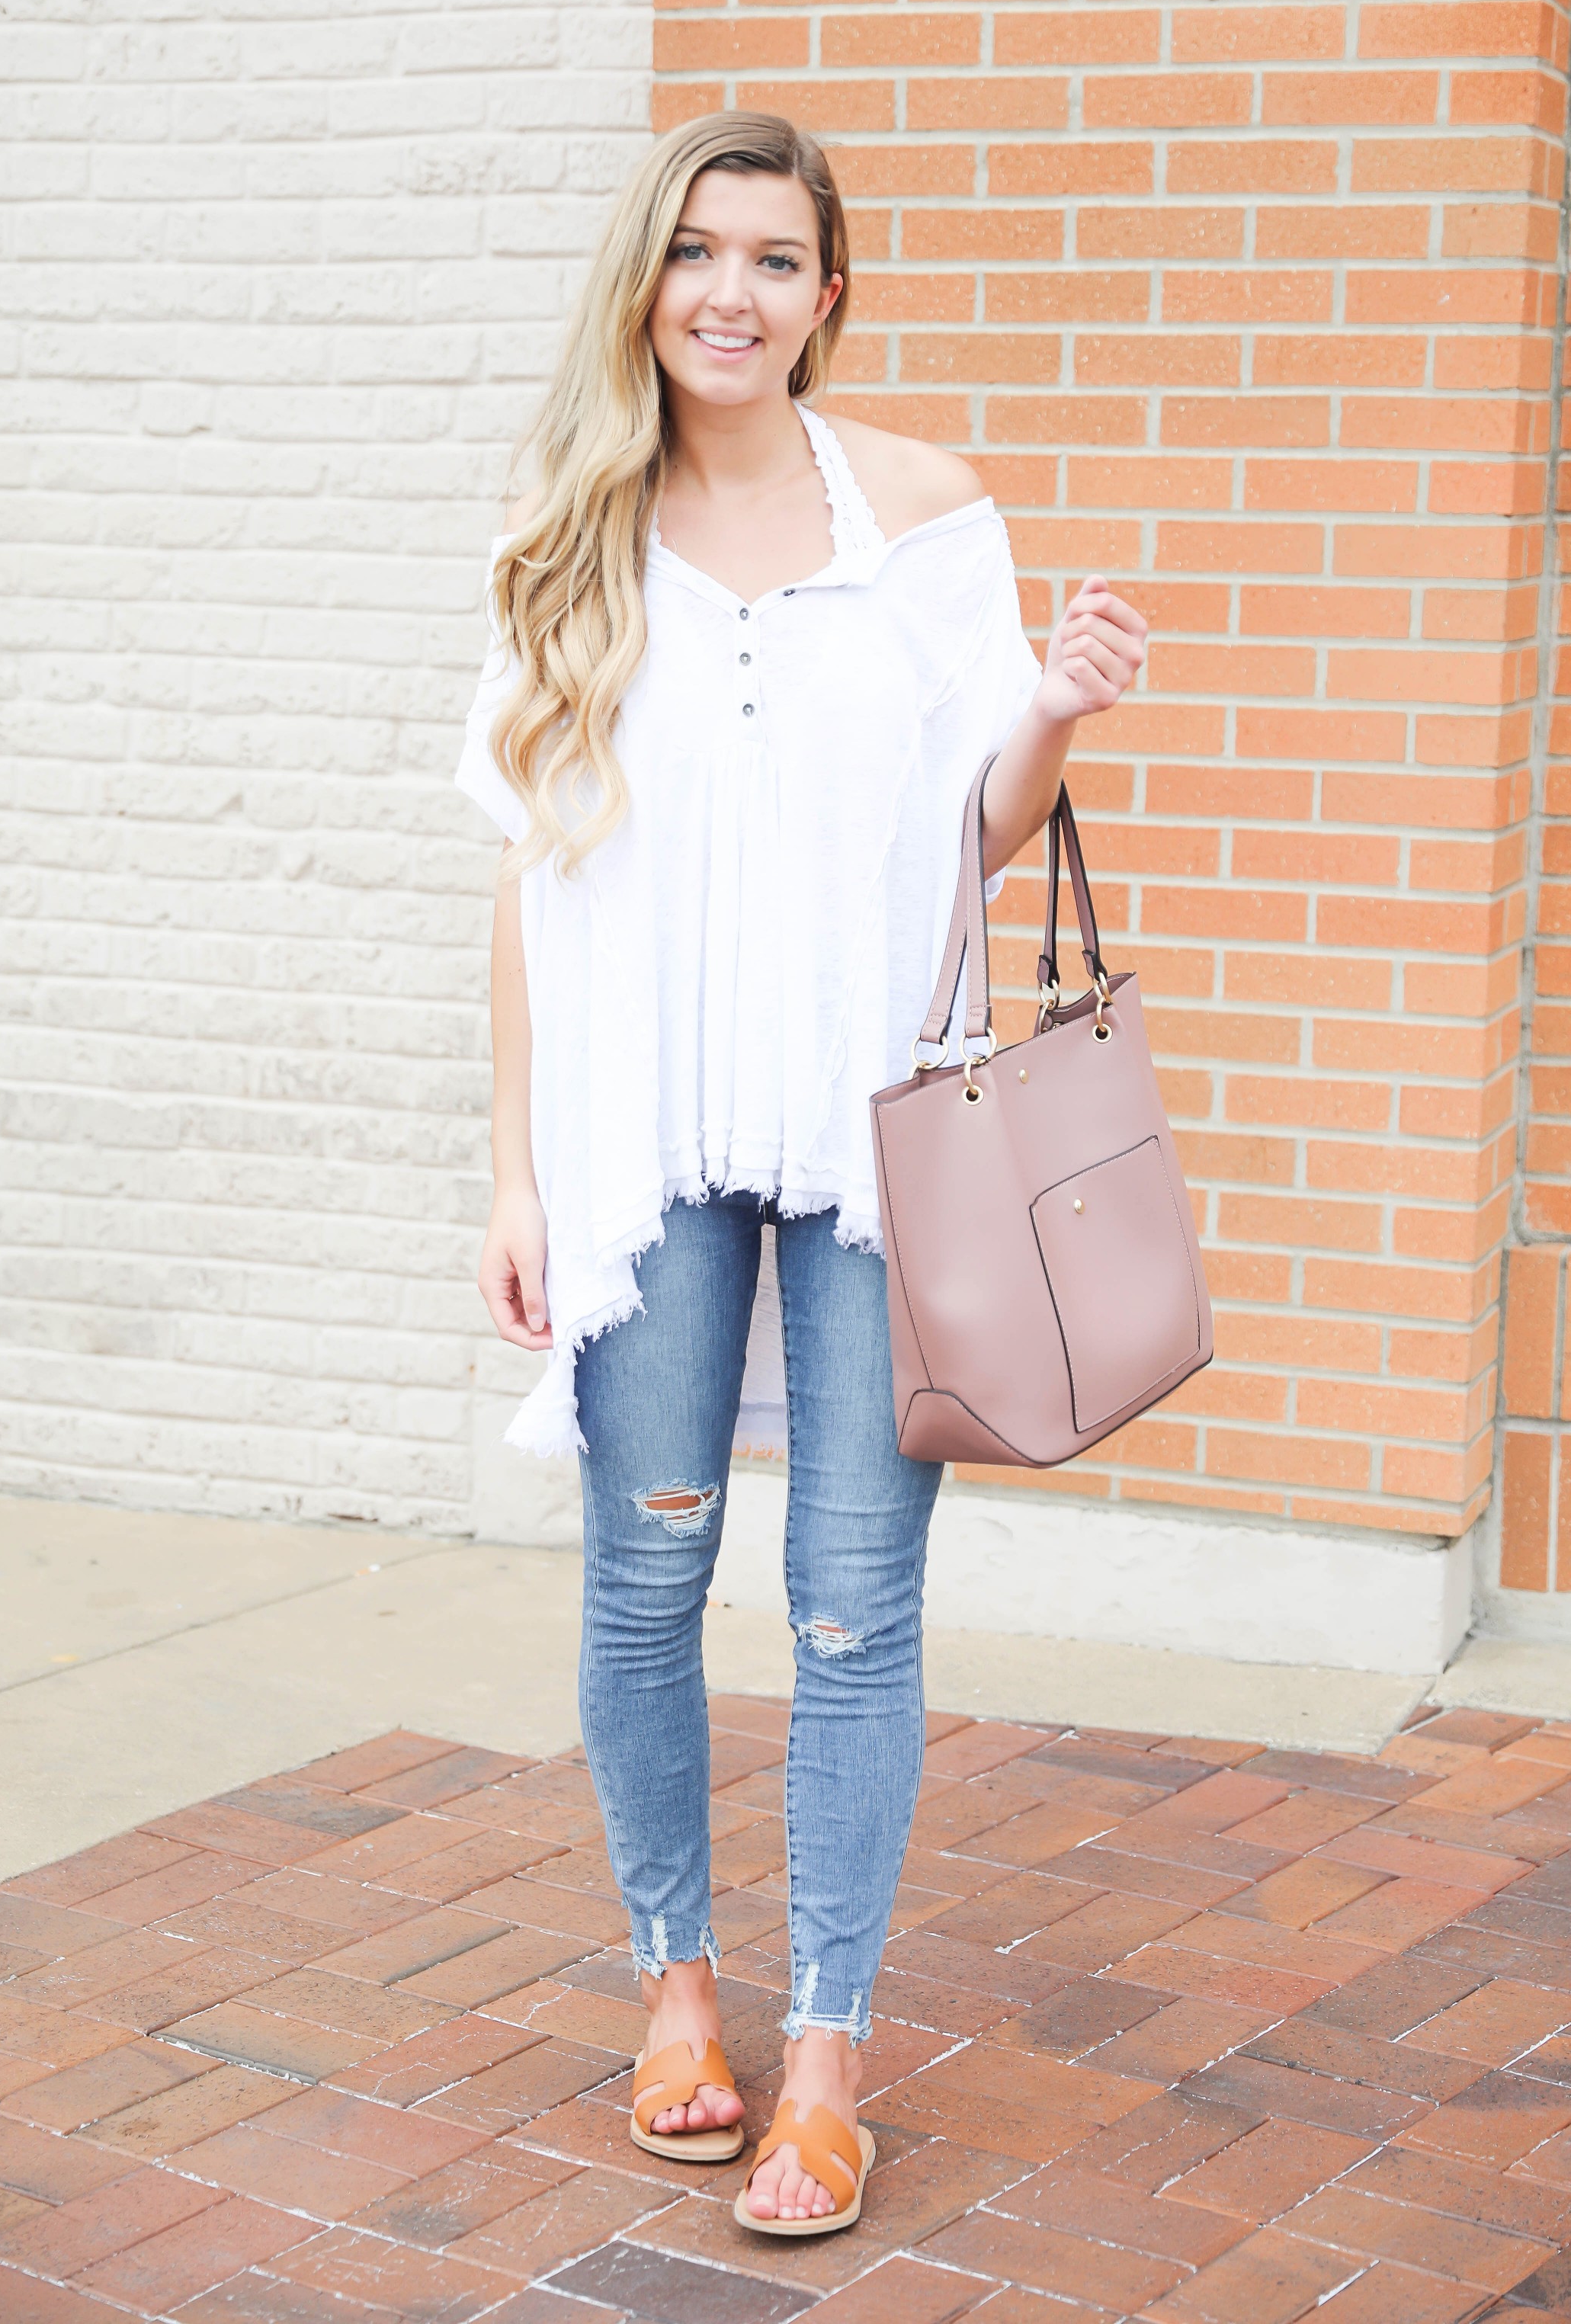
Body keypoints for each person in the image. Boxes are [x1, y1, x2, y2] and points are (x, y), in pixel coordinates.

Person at [458, 111, 1146, 2236]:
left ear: (829, 298)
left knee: (853, 1609)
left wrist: (1051, 706)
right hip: (640, 1137)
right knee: (647, 1576)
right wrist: (514, 1172)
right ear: (646, 287)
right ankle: (677, 1989)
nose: (731, 294)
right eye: (697, 254)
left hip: (874, 1142)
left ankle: (828, 2049)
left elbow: (983, 835)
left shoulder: (926, 515)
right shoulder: (571, 531)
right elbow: (527, 882)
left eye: (775, 259)